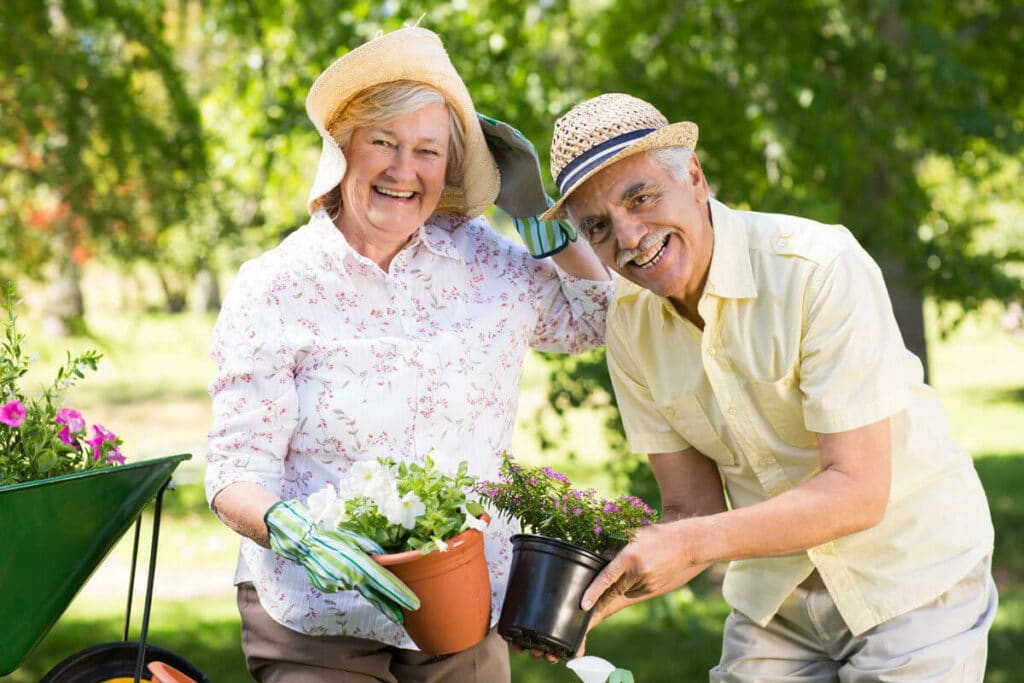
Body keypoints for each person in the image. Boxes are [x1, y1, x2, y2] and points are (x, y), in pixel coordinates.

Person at [537, 93, 997, 681]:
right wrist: (600, 590)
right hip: (776, 598)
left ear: (695, 178)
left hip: (911, 574)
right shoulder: (630, 324)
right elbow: (691, 511)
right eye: (598, 226)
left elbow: (857, 490)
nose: (628, 238)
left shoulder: (817, 269)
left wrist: (691, 543)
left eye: (641, 197)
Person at [205, 27, 612, 682]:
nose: (403, 169)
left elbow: (602, 317)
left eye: (427, 150)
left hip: (459, 605)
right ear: (343, 150)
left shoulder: (488, 264)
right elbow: (233, 469)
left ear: (448, 168)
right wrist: (295, 532)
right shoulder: (276, 285)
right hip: (316, 612)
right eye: (384, 143)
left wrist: (541, 215)